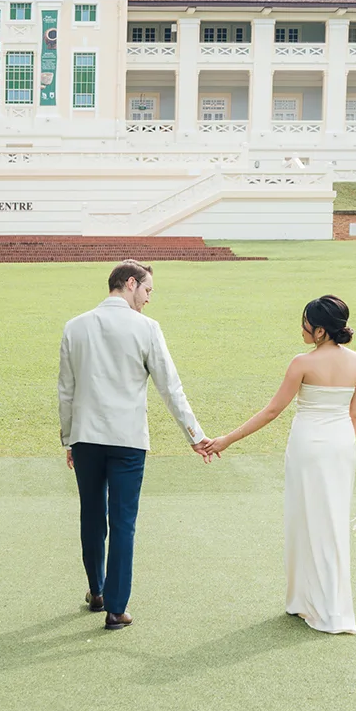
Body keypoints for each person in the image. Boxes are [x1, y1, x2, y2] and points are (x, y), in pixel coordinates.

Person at [201, 295, 356, 634]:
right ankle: (319, 604)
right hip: (341, 447)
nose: (302, 328)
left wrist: (225, 440)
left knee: (305, 520)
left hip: (309, 447)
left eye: (306, 323)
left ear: (321, 331)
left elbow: (271, 411)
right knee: (332, 522)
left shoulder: (302, 363)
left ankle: (309, 603)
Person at [58, 259, 214, 630]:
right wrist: (195, 436)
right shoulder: (147, 329)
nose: (148, 299)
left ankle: (96, 590)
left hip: (86, 439)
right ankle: (116, 608)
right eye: (147, 291)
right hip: (128, 441)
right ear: (130, 283)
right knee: (123, 522)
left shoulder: (75, 327)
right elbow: (170, 387)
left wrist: (68, 439)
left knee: (92, 515)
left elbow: (66, 391)